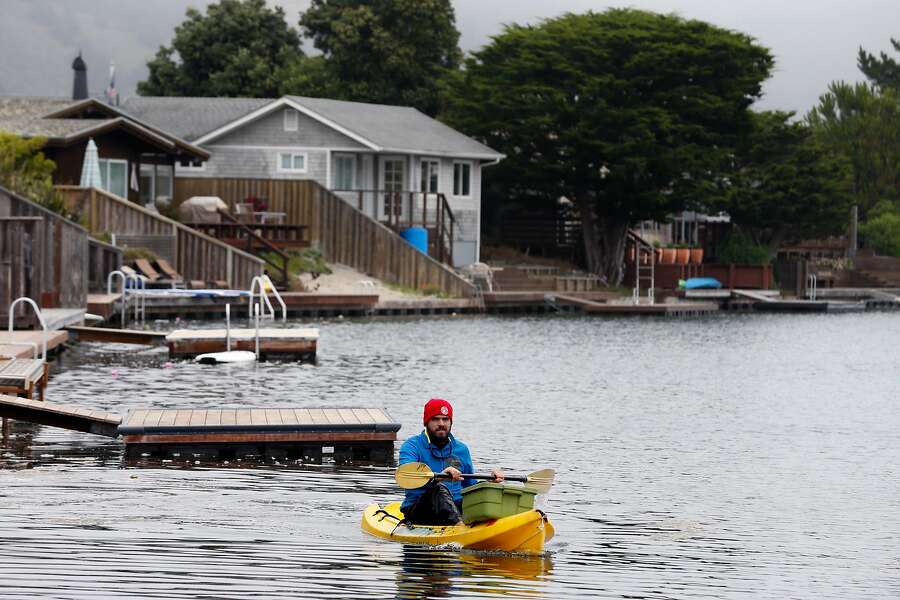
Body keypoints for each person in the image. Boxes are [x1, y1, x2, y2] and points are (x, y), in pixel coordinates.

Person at [399, 398, 503, 525]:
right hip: (420, 510)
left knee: (488, 490)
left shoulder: (461, 449)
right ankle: (460, 528)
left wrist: (489, 483)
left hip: (456, 507)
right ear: (426, 422)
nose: (441, 423)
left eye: (445, 419)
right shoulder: (411, 446)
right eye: (435, 419)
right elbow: (406, 476)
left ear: (451, 422)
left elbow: (470, 487)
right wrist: (439, 477)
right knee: (439, 489)